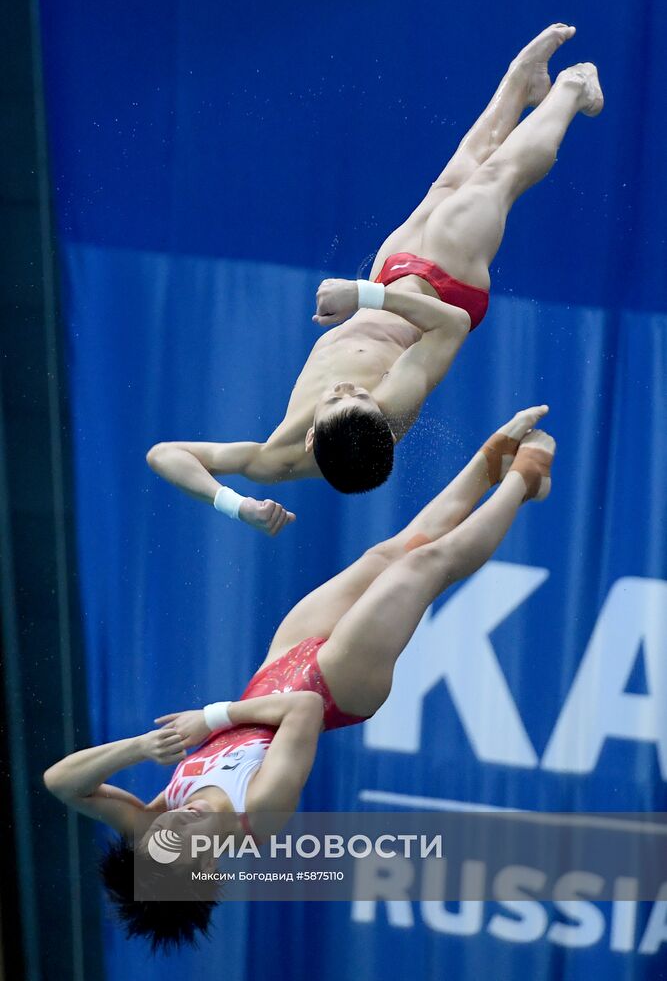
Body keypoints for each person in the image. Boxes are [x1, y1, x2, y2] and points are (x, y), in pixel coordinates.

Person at [45, 407, 554, 949]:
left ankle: (488, 463)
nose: (177, 825)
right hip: (336, 689)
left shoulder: (153, 828)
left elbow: (61, 782)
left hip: (279, 666)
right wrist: (211, 718)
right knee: (423, 567)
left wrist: (145, 746)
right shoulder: (257, 818)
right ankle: (522, 481)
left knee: (390, 553)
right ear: (209, 872)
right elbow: (303, 712)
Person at [145, 25, 599, 536]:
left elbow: (166, 454)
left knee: (454, 176)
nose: (345, 388)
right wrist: (360, 294)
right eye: (356, 397)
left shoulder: (275, 458)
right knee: (493, 180)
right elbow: (448, 326)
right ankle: (572, 90)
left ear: (312, 436)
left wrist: (237, 505)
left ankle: (523, 81)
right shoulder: (393, 406)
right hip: (447, 290)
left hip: (392, 276)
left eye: (339, 399)